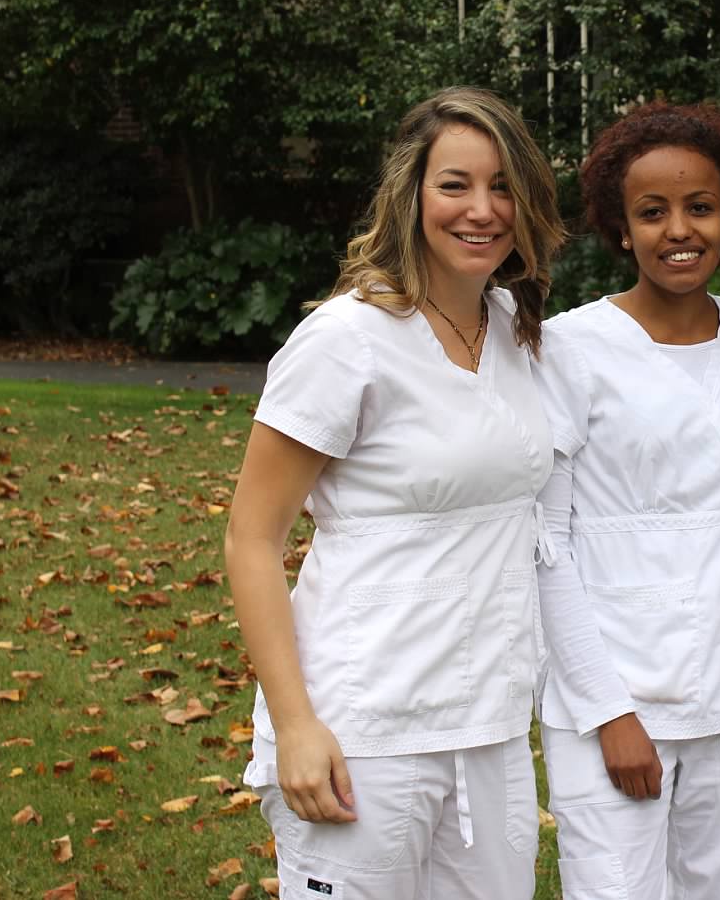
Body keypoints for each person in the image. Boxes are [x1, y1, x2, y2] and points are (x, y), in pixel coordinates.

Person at [224, 87, 566, 900]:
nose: (481, 210)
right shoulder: (347, 340)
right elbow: (251, 538)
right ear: (411, 195)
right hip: (364, 730)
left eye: (502, 186)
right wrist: (298, 727)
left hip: (489, 733)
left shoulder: (517, 327)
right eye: (454, 185)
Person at [531, 102, 720, 899]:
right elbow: (547, 542)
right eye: (653, 212)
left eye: (699, 208)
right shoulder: (571, 348)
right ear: (620, 227)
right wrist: (608, 712)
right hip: (617, 692)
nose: (678, 229)